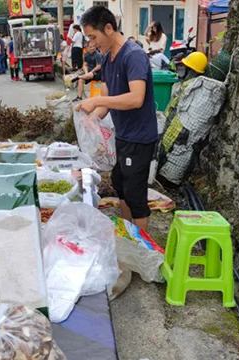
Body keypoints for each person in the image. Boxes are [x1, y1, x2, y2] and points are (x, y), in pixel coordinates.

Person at [75, 6, 157, 231]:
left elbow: (136, 98)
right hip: (122, 135)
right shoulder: (107, 59)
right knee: (120, 184)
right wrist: (92, 118)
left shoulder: (133, 55)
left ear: (109, 28)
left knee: (135, 195)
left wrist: (98, 102)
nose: (92, 44)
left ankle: (140, 246)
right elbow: (108, 101)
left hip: (139, 137)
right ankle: (126, 232)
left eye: (93, 37)